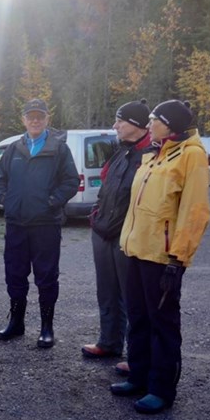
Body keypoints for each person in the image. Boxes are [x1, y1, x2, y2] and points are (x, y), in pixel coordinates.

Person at [110, 100, 210, 414]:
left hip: (162, 257)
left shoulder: (191, 155)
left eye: (155, 119)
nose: (149, 123)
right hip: (137, 250)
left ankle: (162, 389)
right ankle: (138, 376)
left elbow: (195, 212)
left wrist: (177, 260)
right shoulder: (154, 153)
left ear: (170, 124)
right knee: (138, 318)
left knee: (162, 324)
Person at [0, 99, 79, 348]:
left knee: (46, 277)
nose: (35, 121)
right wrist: (5, 200)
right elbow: (1, 180)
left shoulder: (58, 149)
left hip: (45, 225)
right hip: (16, 223)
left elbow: (71, 182)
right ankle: (16, 323)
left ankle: (46, 327)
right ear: (23, 119)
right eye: (30, 117)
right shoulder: (13, 149)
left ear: (47, 119)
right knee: (15, 275)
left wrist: (52, 201)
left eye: (39, 117)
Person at [82, 100, 151, 360]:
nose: (115, 126)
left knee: (133, 298)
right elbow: (106, 185)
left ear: (135, 124)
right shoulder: (120, 151)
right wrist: (96, 216)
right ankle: (109, 342)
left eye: (119, 121)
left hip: (129, 236)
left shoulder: (152, 155)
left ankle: (138, 359)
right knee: (107, 291)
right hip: (103, 232)